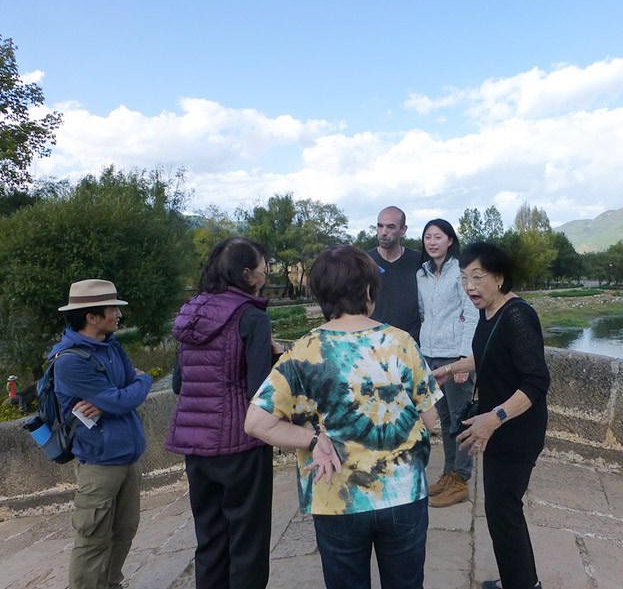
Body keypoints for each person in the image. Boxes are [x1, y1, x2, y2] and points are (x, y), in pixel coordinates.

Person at [245, 245, 441, 589]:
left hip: (335, 499)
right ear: (369, 290)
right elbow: (430, 419)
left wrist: (314, 439)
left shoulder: (302, 352)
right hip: (403, 492)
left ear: (322, 295)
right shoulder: (401, 343)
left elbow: (256, 423)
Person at [166, 237, 281, 588]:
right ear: (247, 274)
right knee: (248, 542)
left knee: (210, 539)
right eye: (263, 265)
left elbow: (178, 383)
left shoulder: (193, 311)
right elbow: (261, 390)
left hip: (195, 447)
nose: (266, 270)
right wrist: (279, 359)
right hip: (241, 445)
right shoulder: (251, 316)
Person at [433, 242, 548, 589]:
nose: (469, 286)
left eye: (477, 277)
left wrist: (493, 418)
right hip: (499, 429)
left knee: (504, 513)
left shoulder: (516, 315)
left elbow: (536, 381)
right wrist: (450, 368)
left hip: (516, 431)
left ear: (499, 277)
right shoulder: (489, 313)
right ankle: (518, 580)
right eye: (464, 278)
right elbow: (487, 357)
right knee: (501, 513)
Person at [52, 279, 153, 589]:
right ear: (91, 317)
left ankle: (110, 583)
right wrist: (142, 382)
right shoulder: (69, 361)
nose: (118, 314)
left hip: (128, 456)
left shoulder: (112, 346)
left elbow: (122, 394)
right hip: (98, 463)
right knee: (93, 536)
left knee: (125, 529)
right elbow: (123, 398)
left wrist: (123, 392)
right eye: (112, 309)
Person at [417, 218, 479, 507]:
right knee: (444, 419)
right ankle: (448, 473)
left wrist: (465, 358)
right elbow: (423, 314)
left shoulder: (460, 272)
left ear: (450, 240)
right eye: (428, 237)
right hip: (429, 354)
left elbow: (472, 313)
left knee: (461, 418)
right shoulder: (422, 274)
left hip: (454, 355)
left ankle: (461, 479)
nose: (432, 242)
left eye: (438, 237)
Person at [368, 205, 423, 341]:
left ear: (403, 230)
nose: (383, 232)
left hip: (412, 345)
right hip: (375, 343)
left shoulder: (419, 261)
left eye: (390, 227)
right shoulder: (364, 262)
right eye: (380, 226)